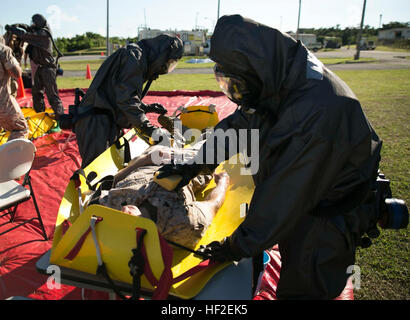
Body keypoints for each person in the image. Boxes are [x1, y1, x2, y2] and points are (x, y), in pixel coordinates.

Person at [157, 15, 383, 299]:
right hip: (308, 198)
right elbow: (239, 124)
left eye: (237, 83)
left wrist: (237, 246)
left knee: (304, 288)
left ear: (255, 70)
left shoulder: (315, 112)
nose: (235, 92)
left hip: (325, 216)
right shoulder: (276, 77)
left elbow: (284, 195)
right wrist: (197, 161)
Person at [61, 34, 183, 168]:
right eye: (169, 62)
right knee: (96, 173)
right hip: (95, 122)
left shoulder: (138, 58)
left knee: (114, 169)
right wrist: (147, 128)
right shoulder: (133, 57)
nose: (166, 67)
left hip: (105, 119)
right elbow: (126, 99)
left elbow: (118, 93)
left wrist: (146, 107)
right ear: (161, 55)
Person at [96, 144, 230, 249]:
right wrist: (223, 182)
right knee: (204, 146)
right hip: (188, 164)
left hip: (149, 159)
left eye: (121, 219)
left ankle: (176, 139)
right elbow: (213, 205)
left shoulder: (109, 205)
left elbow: (113, 181)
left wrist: (145, 160)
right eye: (130, 223)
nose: (125, 211)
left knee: (162, 145)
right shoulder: (181, 223)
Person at [6, 14, 64, 120]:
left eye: (34, 22)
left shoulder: (43, 34)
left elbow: (26, 35)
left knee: (52, 94)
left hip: (48, 68)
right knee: (36, 93)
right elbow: (29, 28)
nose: (32, 24)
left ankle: (61, 118)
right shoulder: (39, 31)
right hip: (40, 68)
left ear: (39, 22)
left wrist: (13, 30)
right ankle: (40, 116)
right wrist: (18, 25)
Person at [0, 35, 29, 141]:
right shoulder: (3, 50)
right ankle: (11, 157)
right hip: (2, 102)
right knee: (20, 129)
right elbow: (17, 73)